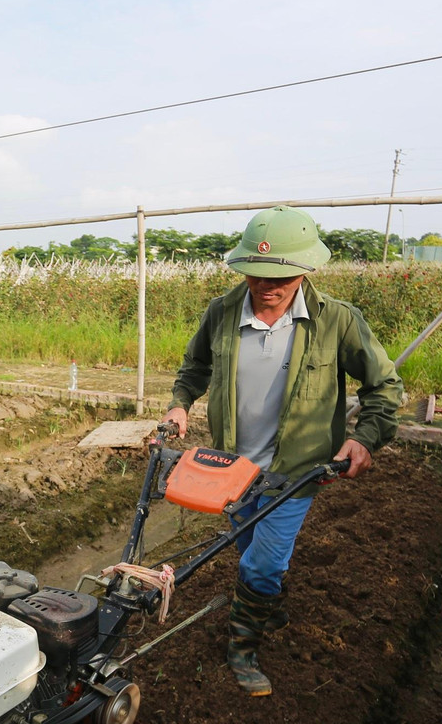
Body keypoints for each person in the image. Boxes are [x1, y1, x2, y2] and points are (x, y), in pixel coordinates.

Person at [164, 206, 402, 697]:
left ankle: (242, 648)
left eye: (282, 276)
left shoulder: (336, 320)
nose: (268, 286)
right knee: (253, 553)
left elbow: (384, 386)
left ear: (306, 269)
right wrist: (179, 407)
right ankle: (269, 607)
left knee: (259, 565)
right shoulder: (222, 313)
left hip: (294, 472)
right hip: (232, 468)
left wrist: (364, 437)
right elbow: (194, 367)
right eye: (257, 274)